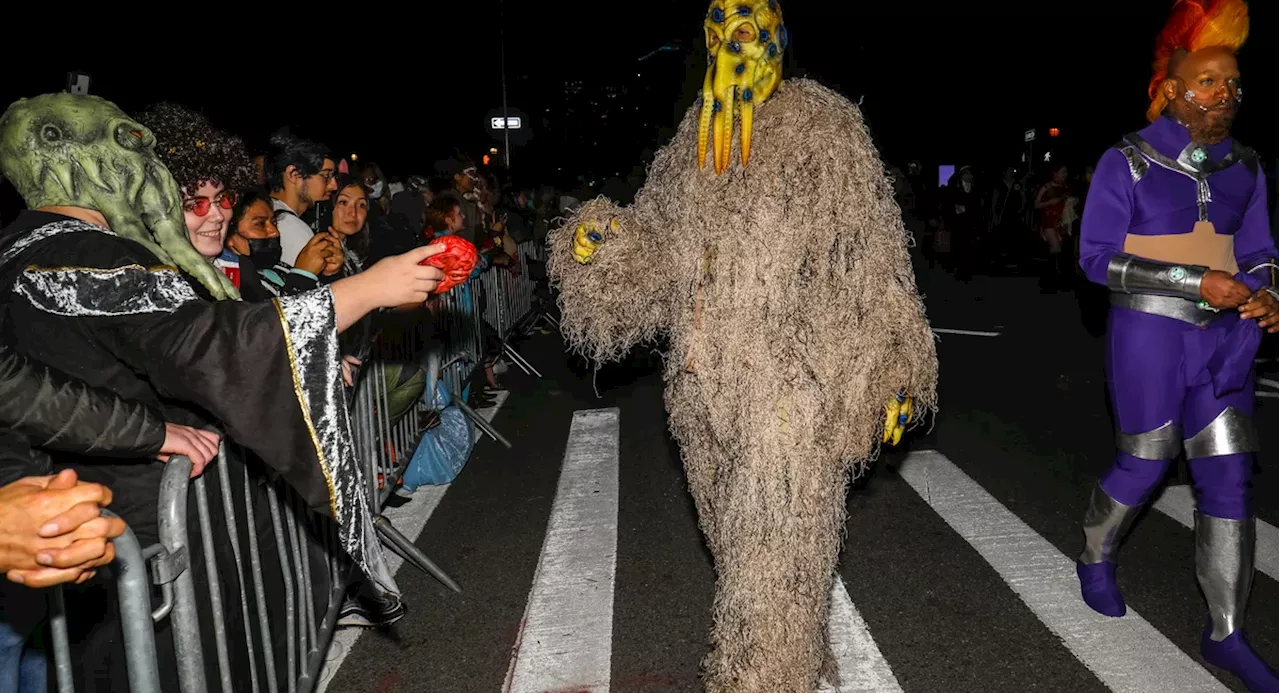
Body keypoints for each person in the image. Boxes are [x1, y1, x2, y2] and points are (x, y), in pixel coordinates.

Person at [548, 1, 937, 690]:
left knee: (769, 560)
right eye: (721, 24)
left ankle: (760, 680)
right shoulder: (693, 143)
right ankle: (792, 661)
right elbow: (659, 255)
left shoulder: (823, 128)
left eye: (750, 23)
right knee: (750, 557)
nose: (736, 36)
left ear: (778, 38)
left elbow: (871, 257)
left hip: (791, 387)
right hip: (702, 393)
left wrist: (896, 370)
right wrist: (604, 246)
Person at [0, 92, 447, 691]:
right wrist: (364, 291)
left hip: (94, 538)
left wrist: (146, 432)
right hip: (147, 543)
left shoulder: (14, 253)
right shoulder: (86, 254)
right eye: (134, 146)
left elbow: (31, 393)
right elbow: (209, 347)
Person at [1073, 1, 1279, 690]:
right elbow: (1096, 258)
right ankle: (1095, 553)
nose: (1223, 93)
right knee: (1146, 460)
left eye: (1232, 82)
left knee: (1228, 476)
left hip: (1225, 341)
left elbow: (1260, 250)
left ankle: (1226, 630)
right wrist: (1196, 279)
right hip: (1148, 334)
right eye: (1208, 80)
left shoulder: (1245, 169)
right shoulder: (1125, 162)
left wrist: (1265, 292)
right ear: (1171, 87)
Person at [264, 129, 339, 267]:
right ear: (294, 174)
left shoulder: (268, 214)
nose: (334, 186)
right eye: (326, 176)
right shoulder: (292, 228)